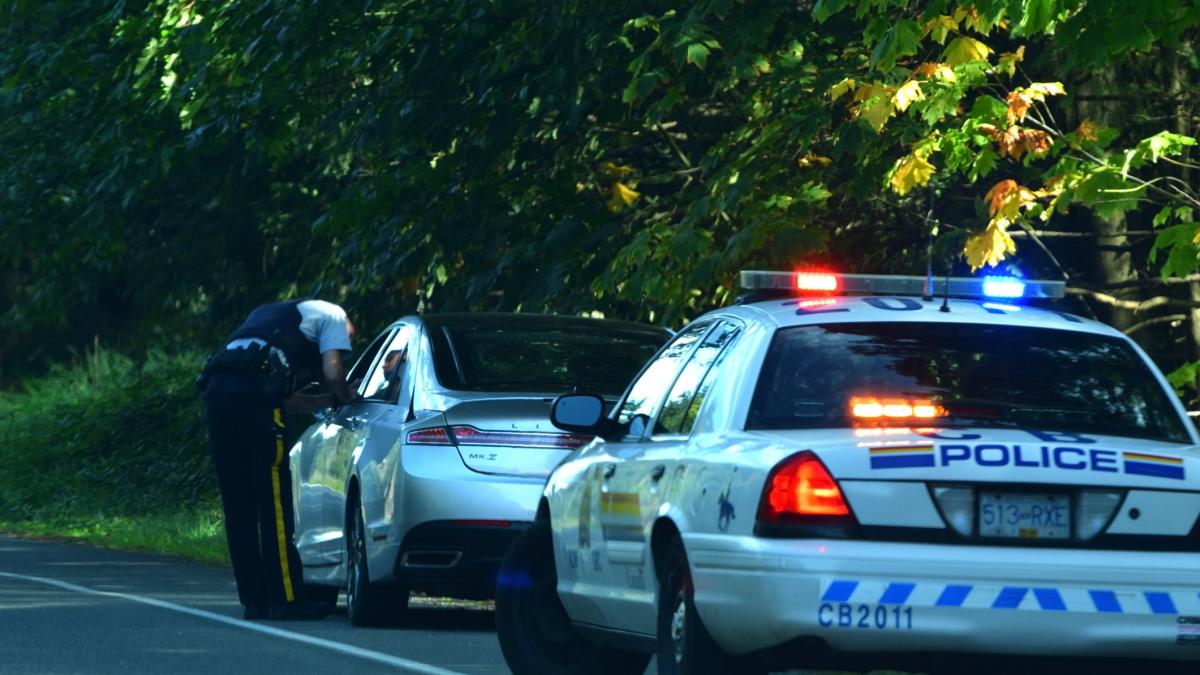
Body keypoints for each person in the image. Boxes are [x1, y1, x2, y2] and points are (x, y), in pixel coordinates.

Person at [198, 299, 361, 620]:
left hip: (217, 396)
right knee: (273, 505)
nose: (343, 348)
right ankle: (286, 600)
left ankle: (254, 601)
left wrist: (328, 400)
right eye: (347, 344)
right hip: (253, 397)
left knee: (238, 507)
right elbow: (332, 372)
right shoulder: (335, 316)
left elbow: (285, 401)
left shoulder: (266, 315)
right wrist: (349, 396)